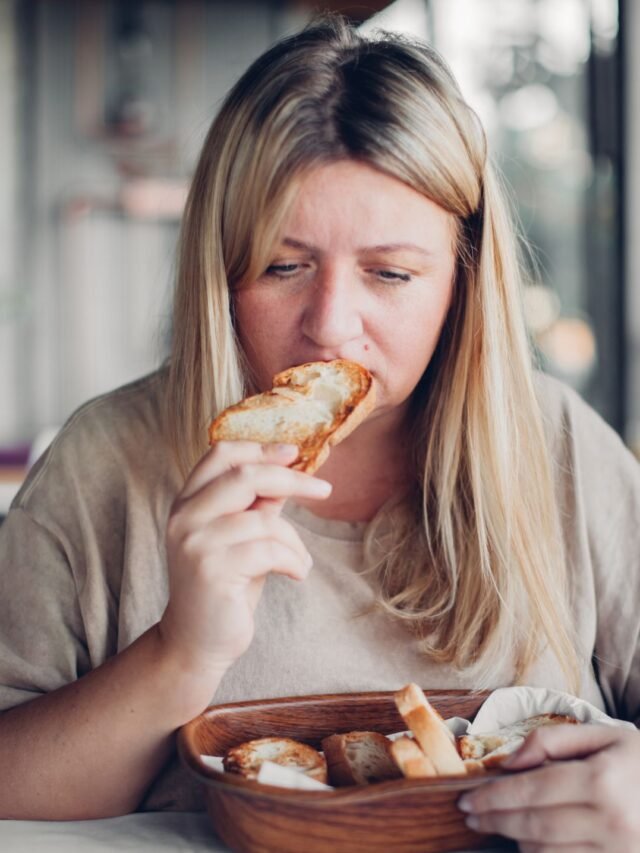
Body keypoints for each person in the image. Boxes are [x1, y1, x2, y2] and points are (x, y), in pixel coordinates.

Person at [0, 15, 639, 850]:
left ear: (463, 281)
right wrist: (179, 654)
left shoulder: (561, 448)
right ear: (220, 273)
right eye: (282, 265)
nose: (333, 328)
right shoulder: (103, 462)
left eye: (391, 273)